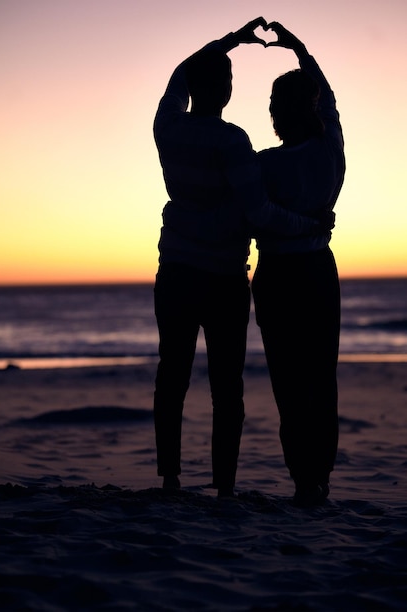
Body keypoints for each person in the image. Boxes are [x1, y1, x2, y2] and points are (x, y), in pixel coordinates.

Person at [153, 18, 327, 496]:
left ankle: (170, 477)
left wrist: (230, 40)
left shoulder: (167, 127)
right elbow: (261, 213)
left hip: (176, 272)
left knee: (173, 374)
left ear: (193, 88)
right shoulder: (234, 143)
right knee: (226, 390)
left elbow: (178, 74)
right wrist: (310, 226)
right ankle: (224, 487)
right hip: (224, 278)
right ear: (226, 90)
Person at [251, 23, 345, 507]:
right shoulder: (332, 151)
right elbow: (327, 98)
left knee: (289, 381)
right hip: (317, 270)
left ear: (280, 113)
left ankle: (304, 480)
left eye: (272, 106)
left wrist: (292, 226)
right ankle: (318, 478)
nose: (269, 114)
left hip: (280, 276)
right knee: (319, 378)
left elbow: (258, 218)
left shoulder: (264, 165)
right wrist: (300, 49)